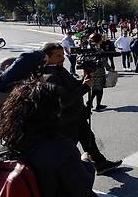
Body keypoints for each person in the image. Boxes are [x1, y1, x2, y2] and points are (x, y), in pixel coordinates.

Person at [41, 42, 122, 175]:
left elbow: (74, 87)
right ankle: (69, 177)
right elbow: (63, 100)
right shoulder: (49, 76)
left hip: (76, 115)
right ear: (46, 58)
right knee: (69, 148)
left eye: (62, 55)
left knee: (88, 138)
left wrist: (86, 77)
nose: (62, 58)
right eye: (58, 56)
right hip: (66, 120)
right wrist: (85, 87)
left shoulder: (59, 70)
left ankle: (100, 163)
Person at [84, 33, 108, 112]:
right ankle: (98, 105)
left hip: (90, 71)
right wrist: (109, 68)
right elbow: (104, 61)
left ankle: (90, 102)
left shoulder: (87, 48)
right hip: (99, 71)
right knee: (99, 89)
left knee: (94, 88)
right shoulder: (99, 49)